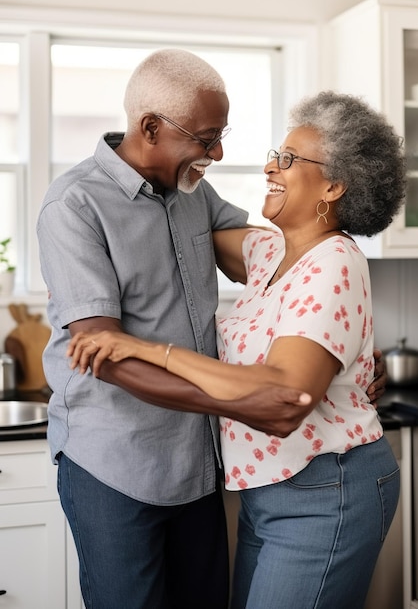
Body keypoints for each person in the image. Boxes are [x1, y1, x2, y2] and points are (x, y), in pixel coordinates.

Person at [67, 90, 405, 609]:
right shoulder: (269, 251)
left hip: (326, 487)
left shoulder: (334, 260)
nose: (271, 165)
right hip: (268, 493)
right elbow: (169, 226)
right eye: (276, 152)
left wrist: (146, 348)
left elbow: (287, 392)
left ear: (334, 186)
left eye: (289, 159)